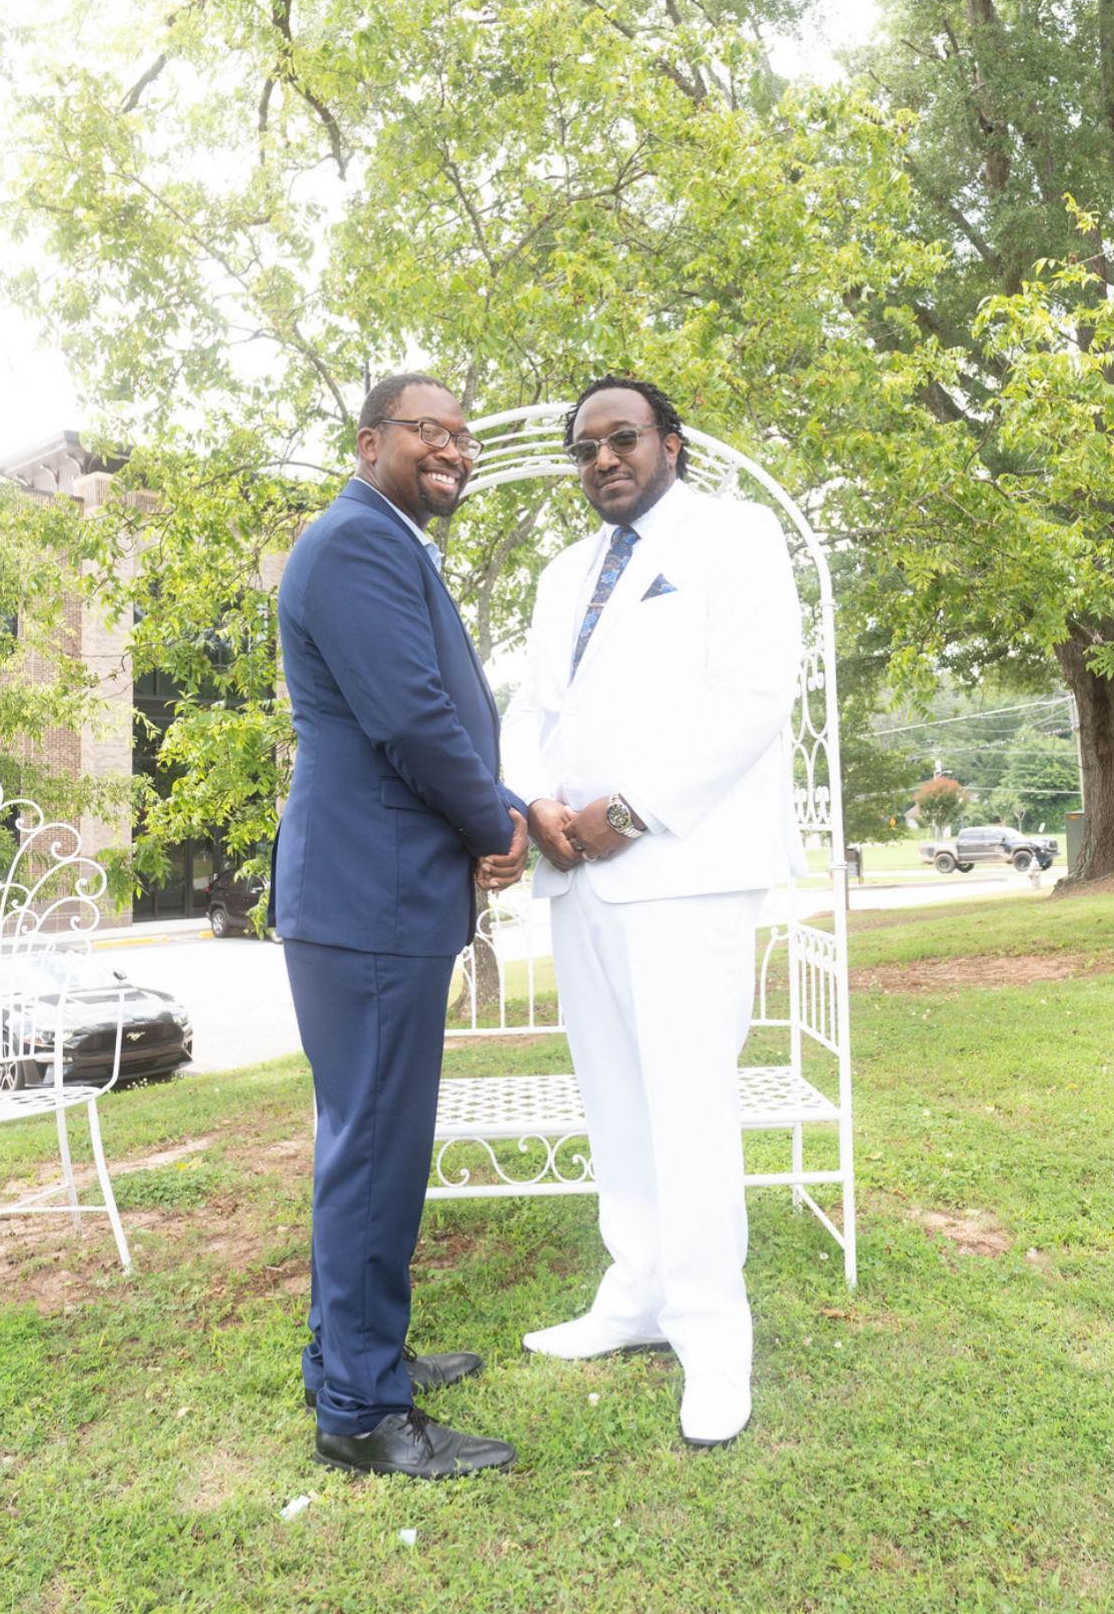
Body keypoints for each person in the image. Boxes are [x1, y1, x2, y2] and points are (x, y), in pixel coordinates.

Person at [503, 376, 803, 1447]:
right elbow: (531, 707)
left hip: (682, 868)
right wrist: (535, 802)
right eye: (584, 448)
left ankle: (712, 1335)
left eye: (622, 438)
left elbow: (752, 695)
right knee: (616, 1102)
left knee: (687, 1105)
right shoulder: (559, 574)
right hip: (576, 872)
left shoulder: (736, 535)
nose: (603, 460)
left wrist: (625, 813)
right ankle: (633, 1293)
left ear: (670, 443)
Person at [273, 372, 529, 1479]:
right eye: (431, 430)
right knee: (376, 1148)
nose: (455, 449)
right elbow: (414, 719)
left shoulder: (380, 540)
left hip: (370, 893)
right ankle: (361, 1411)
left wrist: (490, 811)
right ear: (369, 440)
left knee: (365, 1141)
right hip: (368, 893)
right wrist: (496, 821)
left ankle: (349, 1351)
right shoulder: (356, 543)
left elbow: (424, 712)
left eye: (464, 435)